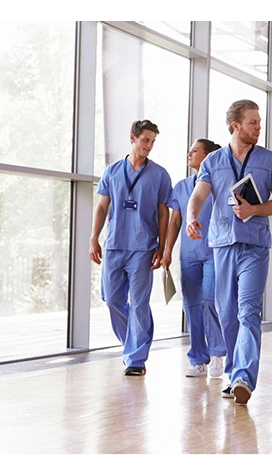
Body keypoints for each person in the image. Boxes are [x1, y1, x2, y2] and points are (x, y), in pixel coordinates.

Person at [186, 100, 272, 405]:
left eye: (259, 122)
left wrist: (254, 209)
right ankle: (233, 374)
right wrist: (192, 218)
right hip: (222, 245)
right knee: (227, 312)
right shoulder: (213, 161)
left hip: (255, 245)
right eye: (253, 123)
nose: (259, 127)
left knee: (247, 310)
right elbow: (198, 196)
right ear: (235, 126)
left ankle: (244, 375)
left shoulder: (269, 160)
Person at [89, 119, 172, 376]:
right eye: (145, 140)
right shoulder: (112, 171)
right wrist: (94, 238)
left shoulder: (159, 175)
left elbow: (163, 213)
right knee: (112, 300)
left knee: (138, 304)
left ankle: (136, 358)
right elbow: (102, 207)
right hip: (114, 245)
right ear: (132, 138)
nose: (149, 145)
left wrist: (161, 245)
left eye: (152, 141)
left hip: (143, 247)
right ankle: (131, 345)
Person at [161, 139, 226, 378]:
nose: (189, 153)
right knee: (191, 306)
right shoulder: (181, 187)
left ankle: (218, 353)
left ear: (208, 157)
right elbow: (175, 221)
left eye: (195, 150)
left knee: (209, 300)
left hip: (213, 252)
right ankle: (199, 358)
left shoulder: (219, 185)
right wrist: (167, 251)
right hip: (188, 255)